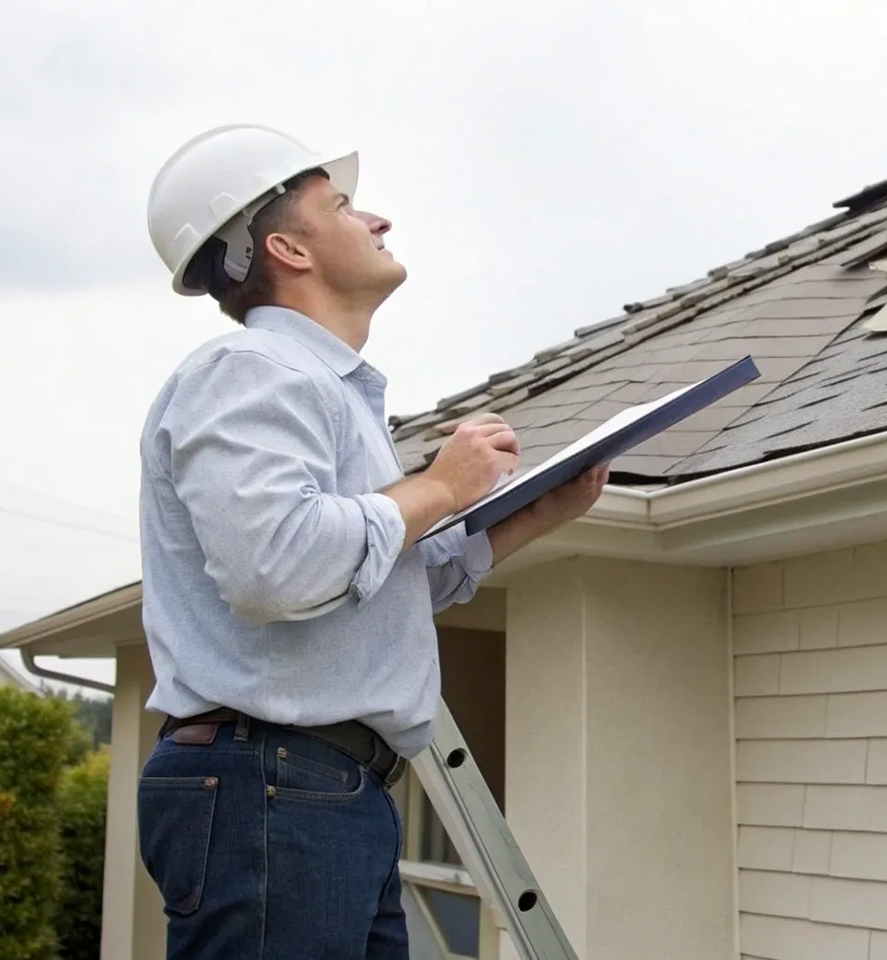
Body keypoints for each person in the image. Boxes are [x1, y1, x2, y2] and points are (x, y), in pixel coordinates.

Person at [134, 124, 605, 958]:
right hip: (273, 789)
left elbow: (364, 586)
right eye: (344, 205)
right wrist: (438, 487)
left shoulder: (332, 396)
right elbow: (275, 567)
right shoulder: (251, 372)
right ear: (286, 247)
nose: (378, 219)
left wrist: (535, 512)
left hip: (320, 793)